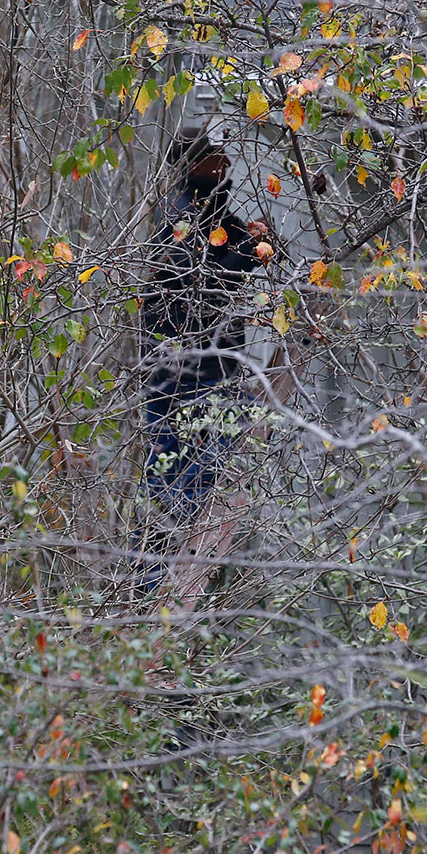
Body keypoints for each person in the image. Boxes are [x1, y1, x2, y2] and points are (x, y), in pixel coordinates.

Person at [138, 130, 272, 551]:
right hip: (182, 364)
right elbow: (200, 284)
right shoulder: (178, 215)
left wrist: (259, 243)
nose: (226, 165)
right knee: (174, 461)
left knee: (196, 447)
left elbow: (231, 258)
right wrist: (251, 250)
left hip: (207, 360)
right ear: (193, 164)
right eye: (217, 157)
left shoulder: (214, 213)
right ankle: (161, 559)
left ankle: (170, 542)